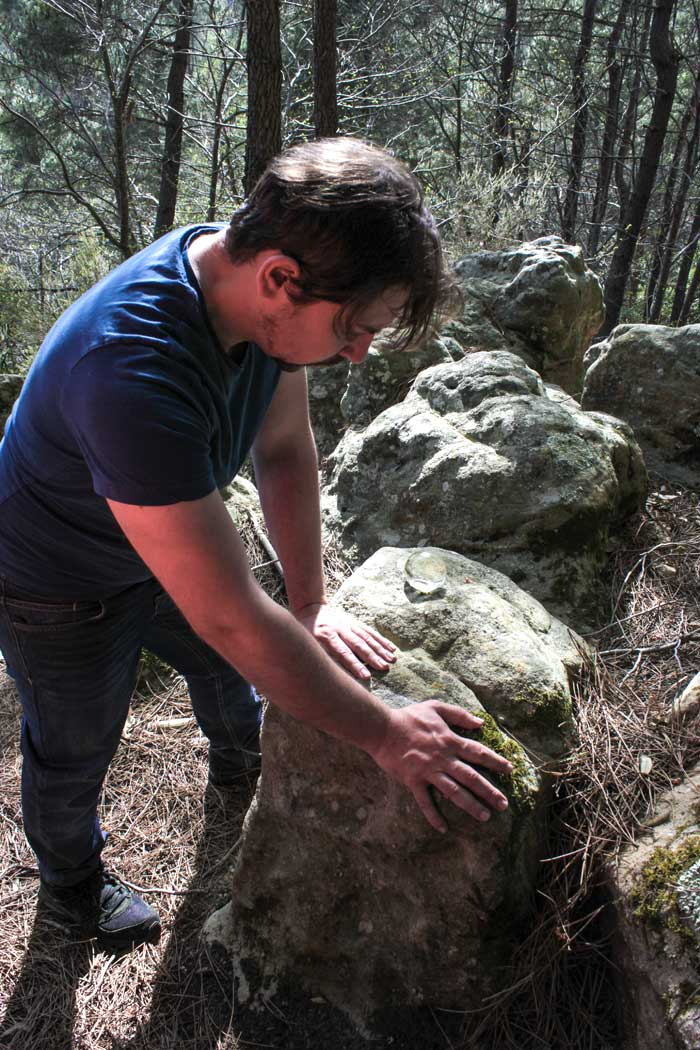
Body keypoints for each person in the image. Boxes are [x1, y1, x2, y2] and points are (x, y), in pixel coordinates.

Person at [0, 137, 513, 956]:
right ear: (280, 278)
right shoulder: (130, 371)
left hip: (155, 534)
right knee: (73, 745)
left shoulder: (255, 293)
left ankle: (242, 755)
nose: (357, 352)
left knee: (223, 665)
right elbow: (234, 617)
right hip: (56, 580)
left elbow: (283, 449)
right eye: (353, 328)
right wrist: (384, 733)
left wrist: (309, 606)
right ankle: (70, 884)